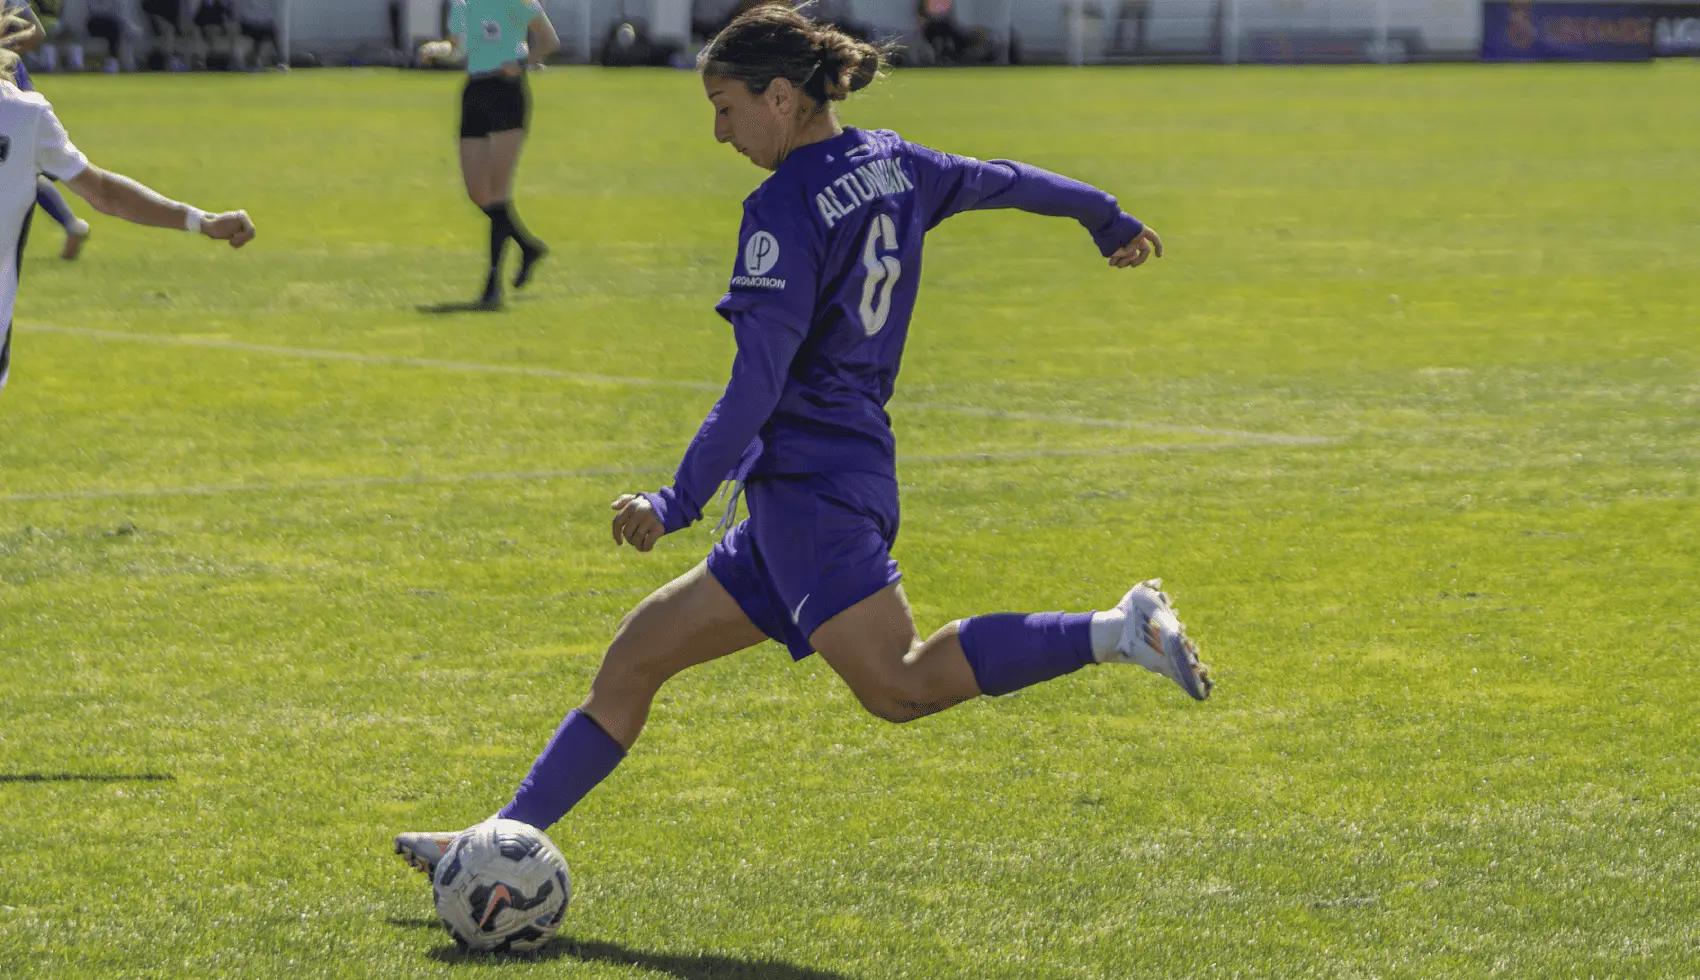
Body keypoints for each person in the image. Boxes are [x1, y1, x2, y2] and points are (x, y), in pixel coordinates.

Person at [394, 4, 1202, 879]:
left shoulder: (782, 207)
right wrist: (1104, 216)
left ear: (781, 97)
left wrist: (676, 499)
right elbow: (1002, 178)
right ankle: (491, 846)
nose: (717, 130)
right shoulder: (895, 161)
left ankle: (1117, 631)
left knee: (899, 683)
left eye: (725, 105)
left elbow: (757, 384)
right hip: (820, 482)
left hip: (811, 489)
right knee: (635, 659)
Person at [0, 36, 254, 394]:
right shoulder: (27, 115)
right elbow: (105, 194)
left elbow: (106, 193)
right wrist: (201, 221)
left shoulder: (28, 116)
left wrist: (201, 220)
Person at [446, 0, 559, 308]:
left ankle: (492, 285)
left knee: (498, 193)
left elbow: (549, 40)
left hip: (507, 92)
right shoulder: (461, 3)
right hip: (474, 91)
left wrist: (524, 62)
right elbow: (457, 48)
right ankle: (528, 245)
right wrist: (437, 50)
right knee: (477, 193)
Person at [1, 1, 91, 259]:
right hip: (12, 81)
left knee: (22, 165)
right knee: (24, 165)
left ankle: (70, 223)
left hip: (7, 85)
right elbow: (36, 31)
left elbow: (35, 31)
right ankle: (70, 223)